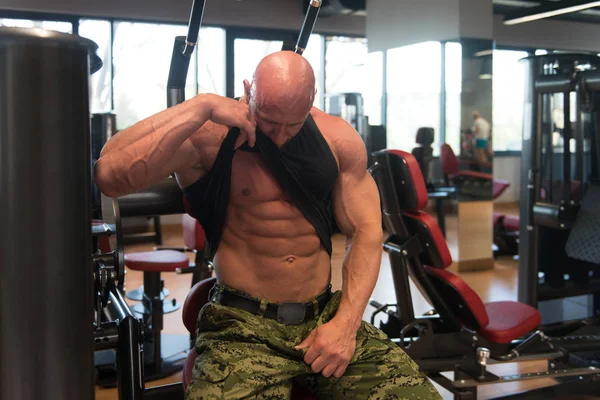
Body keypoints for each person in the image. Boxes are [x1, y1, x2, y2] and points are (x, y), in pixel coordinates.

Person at [95, 51, 441, 400]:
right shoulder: (209, 137)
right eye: (268, 120)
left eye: (293, 124)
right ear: (249, 91)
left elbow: (366, 230)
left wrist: (346, 324)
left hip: (323, 318)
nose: (278, 136)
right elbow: (109, 176)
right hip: (242, 328)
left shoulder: (337, 139)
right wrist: (200, 107)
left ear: (312, 101)